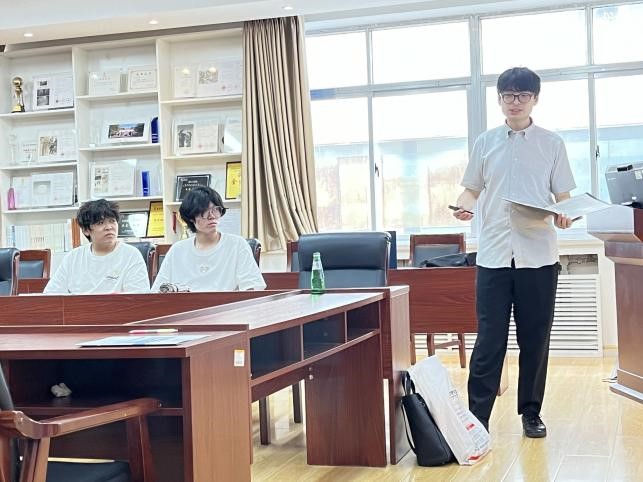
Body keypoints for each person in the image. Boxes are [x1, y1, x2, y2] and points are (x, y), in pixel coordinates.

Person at [452, 67, 576, 438]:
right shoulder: (485, 142)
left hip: (538, 256)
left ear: (535, 98)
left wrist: (565, 215)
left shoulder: (552, 143)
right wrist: (463, 206)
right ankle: (478, 417)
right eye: (508, 95)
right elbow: (471, 189)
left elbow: (564, 196)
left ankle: (531, 413)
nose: (515, 102)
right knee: (489, 340)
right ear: (500, 99)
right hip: (493, 255)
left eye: (522, 95)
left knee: (535, 339)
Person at [151, 186, 266, 292]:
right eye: (204, 212)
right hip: (187, 306)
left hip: (226, 306)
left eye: (215, 210)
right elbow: (157, 291)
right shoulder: (177, 250)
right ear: (191, 218)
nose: (212, 216)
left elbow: (252, 287)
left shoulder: (237, 244)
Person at [44, 199, 150, 294]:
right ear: (86, 230)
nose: (109, 227)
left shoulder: (131, 255)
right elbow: (51, 294)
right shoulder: (73, 257)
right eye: (100, 223)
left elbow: (139, 297)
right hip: (80, 309)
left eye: (112, 221)